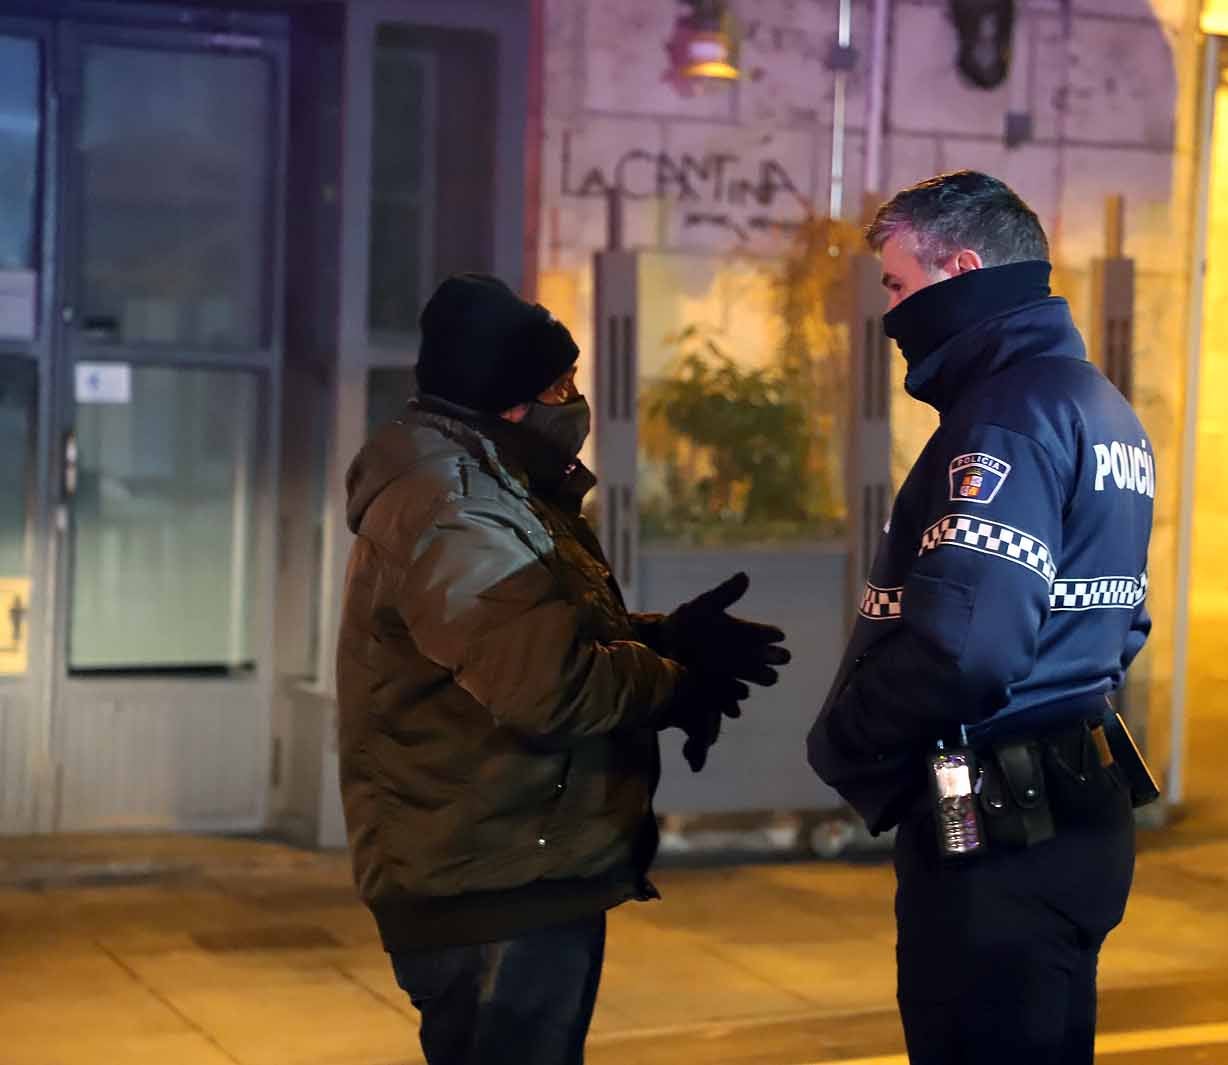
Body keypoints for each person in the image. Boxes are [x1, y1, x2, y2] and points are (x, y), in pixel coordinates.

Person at [337, 273, 790, 1065]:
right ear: (506, 396)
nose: (574, 399)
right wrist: (674, 680)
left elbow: (528, 634)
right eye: (560, 383)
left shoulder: (492, 480)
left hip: (510, 864)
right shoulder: (454, 504)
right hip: (490, 886)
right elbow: (547, 683)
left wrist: (668, 636)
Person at [807, 171, 1155, 1063]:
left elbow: (967, 650)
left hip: (998, 832)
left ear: (960, 270)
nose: (890, 311)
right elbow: (1125, 622)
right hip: (1076, 814)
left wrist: (848, 731)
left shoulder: (1006, 418)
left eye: (897, 284)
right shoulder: (1099, 406)